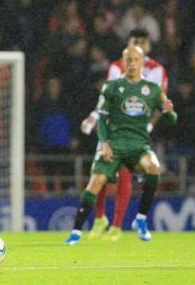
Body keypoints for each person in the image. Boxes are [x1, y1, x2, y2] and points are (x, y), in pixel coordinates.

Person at [64, 44, 176, 245]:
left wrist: (169, 111)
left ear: (143, 62)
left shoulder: (152, 89)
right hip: (114, 144)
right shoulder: (112, 87)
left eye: (136, 60)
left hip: (139, 146)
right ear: (123, 62)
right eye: (128, 60)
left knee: (154, 168)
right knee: (96, 182)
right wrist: (104, 143)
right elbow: (102, 118)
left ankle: (140, 220)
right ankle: (76, 232)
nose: (132, 63)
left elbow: (172, 120)